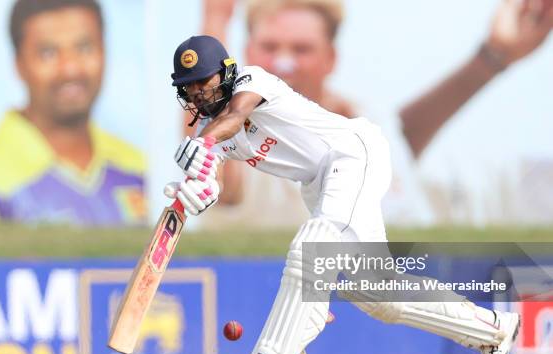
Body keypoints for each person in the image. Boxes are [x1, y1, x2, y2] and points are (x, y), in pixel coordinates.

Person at [165, 35, 520, 354]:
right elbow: (210, 180)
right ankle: (493, 330)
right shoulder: (208, 131)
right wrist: (198, 192)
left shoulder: (251, 81)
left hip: (350, 154)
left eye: (203, 81)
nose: (196, 92)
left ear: (226, 74)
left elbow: (235, 116)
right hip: (320, 184)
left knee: (312, 247)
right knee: (379, 296)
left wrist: (200, 144)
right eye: (187, 86)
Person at [199, 0, 553, 226]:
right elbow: (208, 148)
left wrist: (494, 56)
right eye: (270, 47)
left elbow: (402, 138)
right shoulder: (242, 140)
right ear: (245, 52)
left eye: (302, 48)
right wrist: (215, 17)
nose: (284, 60)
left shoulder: (362, 120)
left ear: (330, 59)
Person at [0, 0, 147, 227]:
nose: (70, 68)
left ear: (105, 51)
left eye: (85, 48)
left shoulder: (140, 170)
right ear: (19, 64)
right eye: (48, 53)